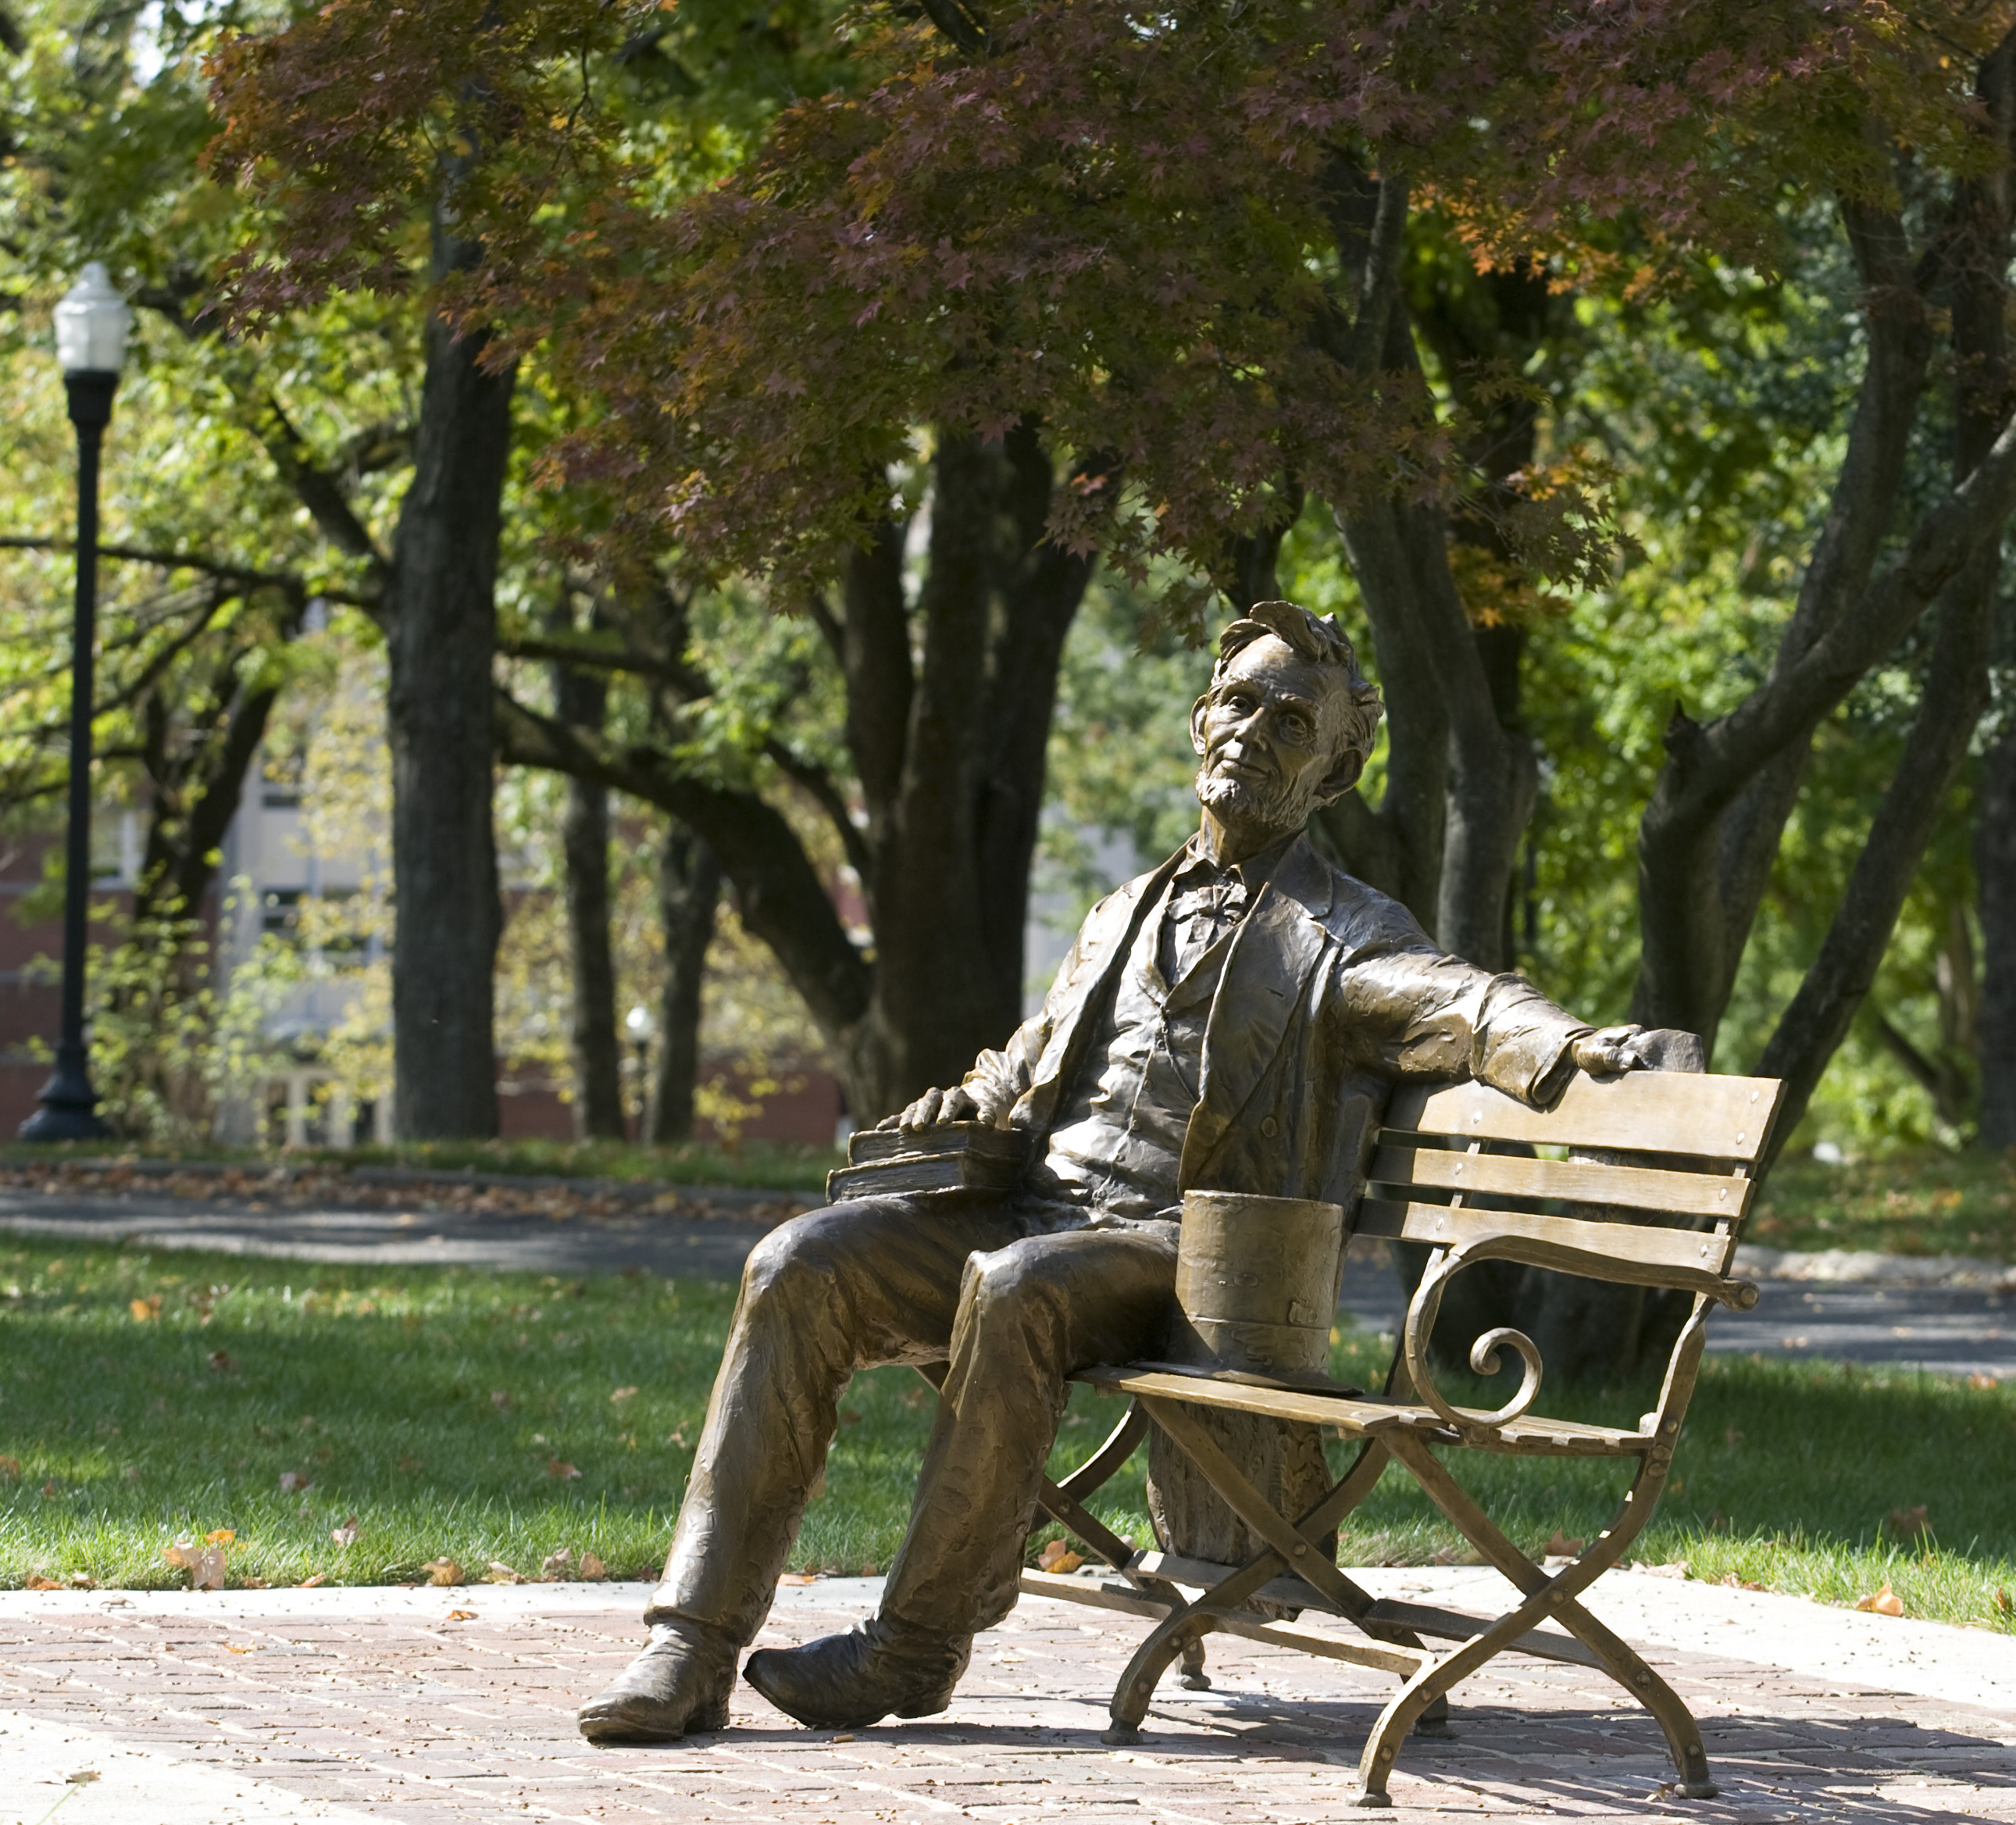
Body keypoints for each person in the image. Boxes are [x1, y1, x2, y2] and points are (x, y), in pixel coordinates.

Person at [576, 602, 1680, 1743]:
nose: (1255, 731)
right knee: (797, 1261)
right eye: (1241, 703)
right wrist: (975, 1101)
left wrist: (1583, 1047)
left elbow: (1465, 1001)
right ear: (1203, 719)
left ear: (1334, 773)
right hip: (1032, 1209)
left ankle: (913, 1647)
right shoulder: (1117, 913)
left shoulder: (1346, 933)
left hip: (1184, 1253)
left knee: (1016, 1285)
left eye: (1292, 721)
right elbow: (1037, 1054)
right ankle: (690, 1648)